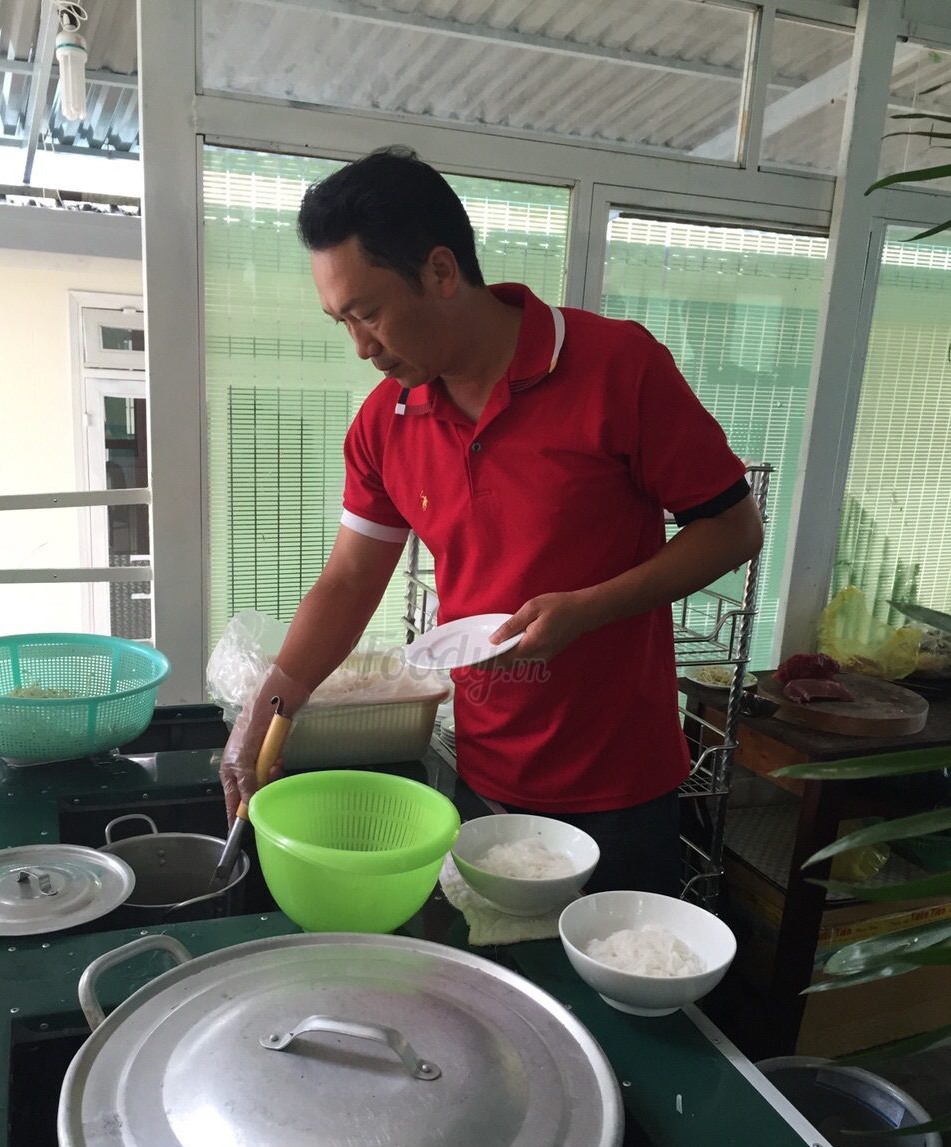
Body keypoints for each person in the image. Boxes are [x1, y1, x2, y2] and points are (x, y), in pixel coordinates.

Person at [220, 146, 764, 896]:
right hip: (481, 770)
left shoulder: (617, 366)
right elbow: (348, 581)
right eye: (342, 322)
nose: (361, 348)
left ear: (442, 272)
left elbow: (734, 529)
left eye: (369, 313)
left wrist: (589, 609)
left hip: (621, 785)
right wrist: (263, 710)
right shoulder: (384, 422)